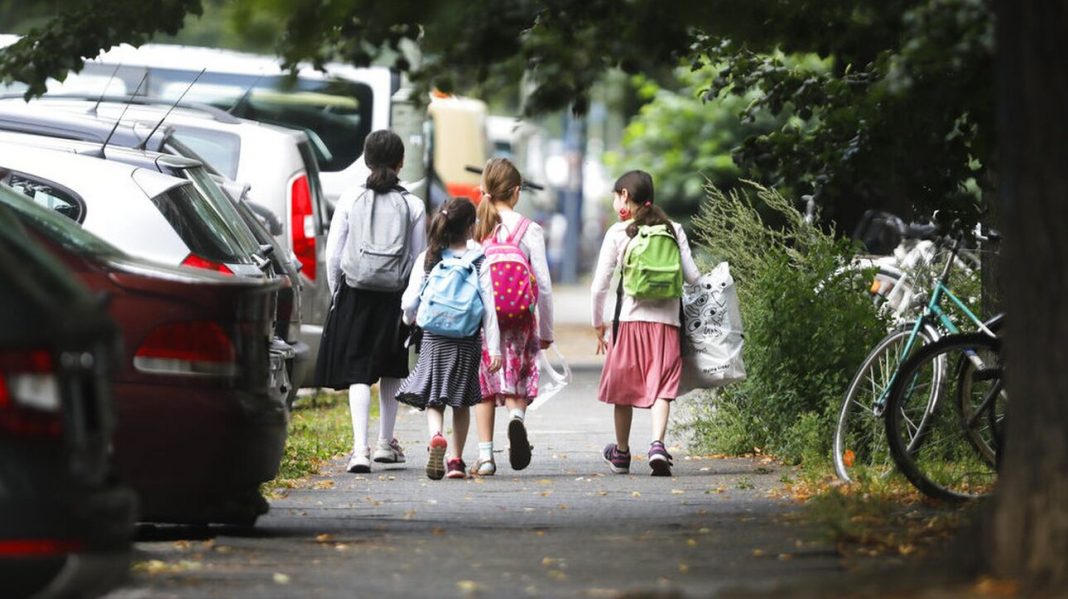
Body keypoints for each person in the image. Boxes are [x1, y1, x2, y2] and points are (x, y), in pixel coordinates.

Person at [314, 129, 427, 474]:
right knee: (392, 368)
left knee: (359, 371)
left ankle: (359, 449)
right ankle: (385, 443)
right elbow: (419, 256)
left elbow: (333, 255)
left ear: (365, 160)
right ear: (401, 161)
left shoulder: (351, 198)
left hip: (356, 293)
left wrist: (339, 293)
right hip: (395, 295)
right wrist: (414, 304)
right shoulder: (413, 203)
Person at [590, 170, 700, 477]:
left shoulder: (618, 233)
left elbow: (599, 286)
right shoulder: (673, 229)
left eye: (615, 196)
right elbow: (693, 278)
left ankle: (622, 453)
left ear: (624, 195)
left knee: (624, 389)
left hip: (630, 322)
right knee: (663, 386)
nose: (615, 202)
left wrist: (598, 323)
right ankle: (656, 445)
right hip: (667, 324)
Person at [396, 198, 502, 479]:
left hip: (434, 337)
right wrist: (495, 348)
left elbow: (410, 301)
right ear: (470, 227)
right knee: (461, 401)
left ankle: (436, 436)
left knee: (434, 398)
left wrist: (409, 320)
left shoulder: (430, 257)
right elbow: (489, 307)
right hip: (467, 339)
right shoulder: (479, 259)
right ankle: (455, 461)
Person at [474, 157, 554, 476]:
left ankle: (485, 456)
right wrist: (546, 330)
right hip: (520, 317)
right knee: (516, 377)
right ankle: (516, 420)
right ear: (517, 192)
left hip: (485, 318)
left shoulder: (478, 228)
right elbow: (544, 285)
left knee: (486, 384)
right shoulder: (530, 229)